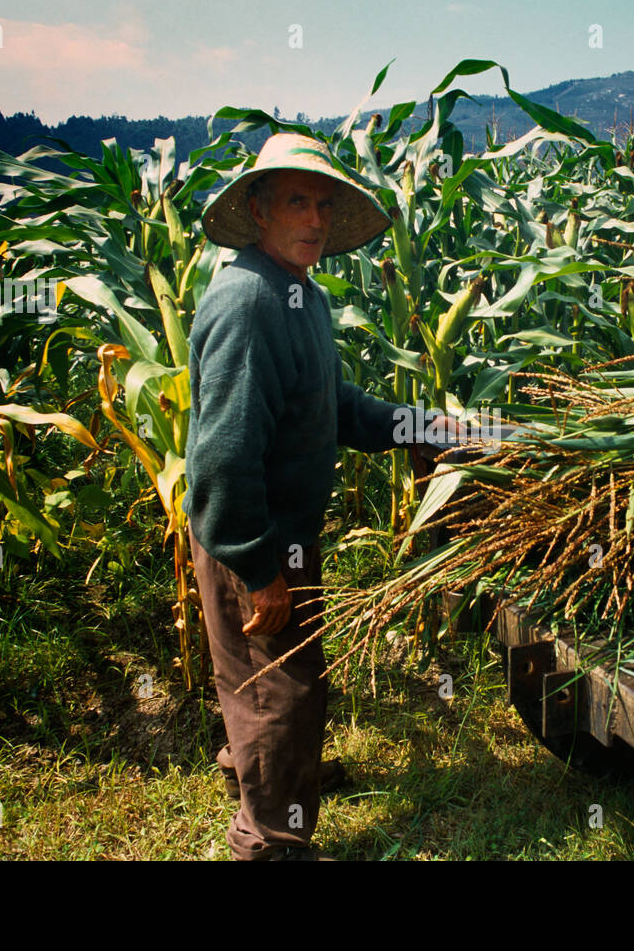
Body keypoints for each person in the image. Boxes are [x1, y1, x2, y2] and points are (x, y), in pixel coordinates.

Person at [183, 132, 457, 860]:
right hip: (255, 533)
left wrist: (421, 426)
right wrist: (258, 567)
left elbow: (332, 406)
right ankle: (270, 837)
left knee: (279, 679)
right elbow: (224, 458)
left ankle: (266, 770)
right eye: (297, 201)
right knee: (282, 689)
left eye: (324, 205)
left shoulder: (300, 296)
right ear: (259, 208)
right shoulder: (249, 304)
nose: (315, 219)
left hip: (285, 532)